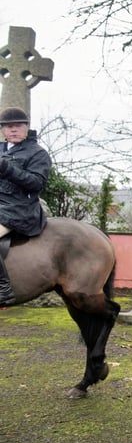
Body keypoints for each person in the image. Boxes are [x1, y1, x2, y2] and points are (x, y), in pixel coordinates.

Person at [0, 107, 52, 306]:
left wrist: (7, 168)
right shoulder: (1, 149)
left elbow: (36, 184)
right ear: (3, 130)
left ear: (26, 127)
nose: (13, 130)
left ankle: (3, 289)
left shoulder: (38, 154)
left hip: (18, 210)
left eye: (18, 126)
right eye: (8, 127)